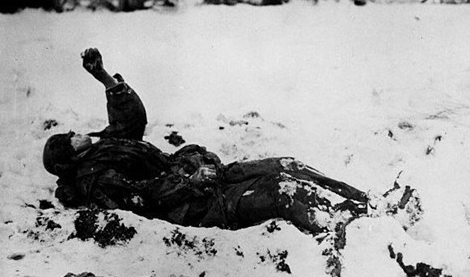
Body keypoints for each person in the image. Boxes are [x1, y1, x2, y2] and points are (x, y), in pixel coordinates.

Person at [43, 48, 367, 235]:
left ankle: (362, 204)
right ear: (68, 160)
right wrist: (189, 184)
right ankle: (346, 230)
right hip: (197, 207)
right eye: (68, 141)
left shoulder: (105, 146)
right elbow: (146, 199)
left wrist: (102, 76)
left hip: (206, 176)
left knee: (288, 166)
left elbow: (131, 119)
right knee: (281, 189)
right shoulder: (99, 180)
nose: (75, 135)